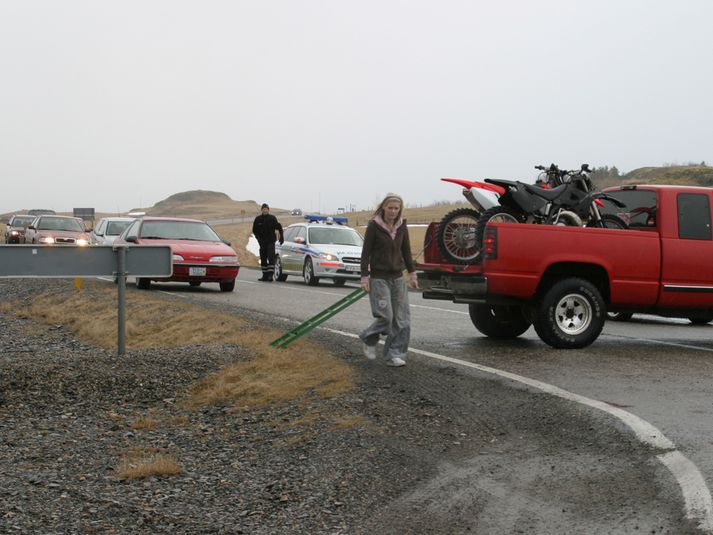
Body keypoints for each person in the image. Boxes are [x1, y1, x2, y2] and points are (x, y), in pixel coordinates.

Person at [359, 193, 418, 367]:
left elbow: (406, 252)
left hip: (398, 278)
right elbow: (366, 253)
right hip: (379, 278)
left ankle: (395, 354)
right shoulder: (374, 226)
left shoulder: (402, 226)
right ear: (383, 207)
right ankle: (369, 338)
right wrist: (364, 276)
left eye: (396, 208)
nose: (393, 211)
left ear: (400, 209)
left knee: (402, 319)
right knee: (386, 317)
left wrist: (412, 274)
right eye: (390, 207)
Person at [252, 203, 284, 281]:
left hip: (270, 242)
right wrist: (258, 239)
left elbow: (279, 227)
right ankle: (264, 275)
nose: (265, 210)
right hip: (262, 242)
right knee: (263, 258)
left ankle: (270, 275)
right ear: (261, 210)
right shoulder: (258, 219)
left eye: (266, 209)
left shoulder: (272, 218)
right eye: (263, 209)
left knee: (271, 257)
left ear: (268, 210)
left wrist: (281, 237)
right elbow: (254, 230)